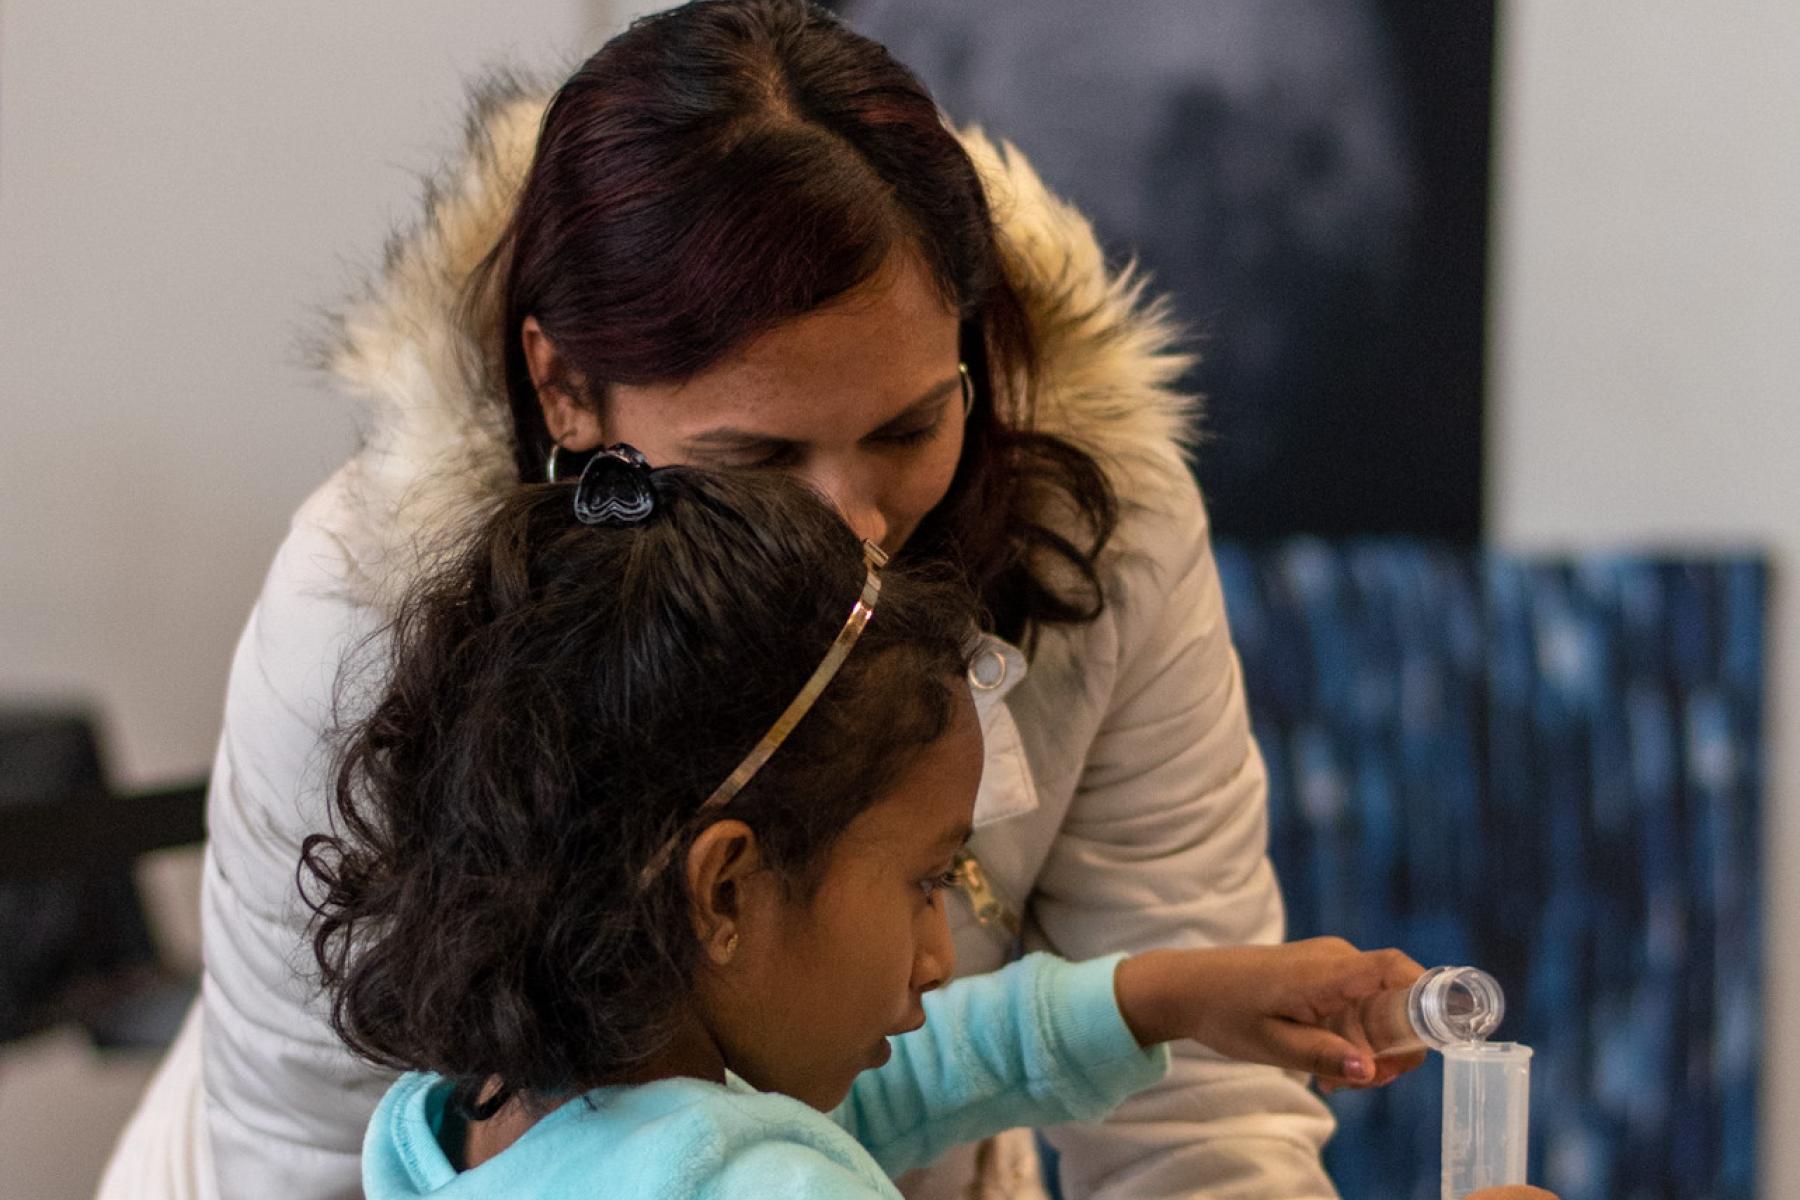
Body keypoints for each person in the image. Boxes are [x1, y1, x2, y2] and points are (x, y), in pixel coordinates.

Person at [97, 2, 1491, 1197]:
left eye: (908, 428)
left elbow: (1128, 1114)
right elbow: (298, 1147)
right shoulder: (368, 601)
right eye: (755, 461)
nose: (853, 529)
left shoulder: (482, 1133)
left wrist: (1183, 993)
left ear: (973, 349)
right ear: (565, 391)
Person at [302, 460, 1433, 1199]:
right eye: (925, 881)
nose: (940, 956)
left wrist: (1168, 995)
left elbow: (880, 1094)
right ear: (727, 890)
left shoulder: (450, 1137)